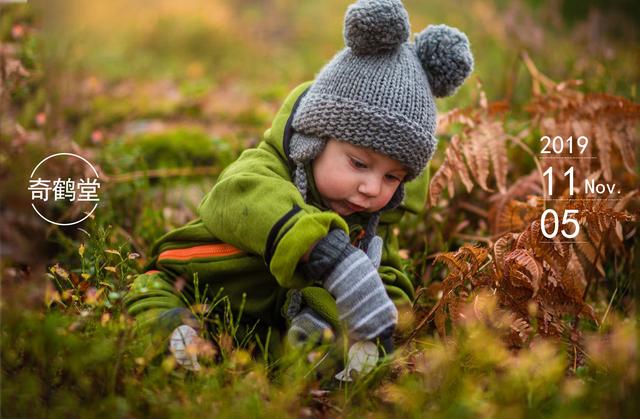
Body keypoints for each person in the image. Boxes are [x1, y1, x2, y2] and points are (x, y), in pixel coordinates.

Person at [123, 0, 473, 372]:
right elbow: (237, 195)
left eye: (393, 177)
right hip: (194, 283)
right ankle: (176, 340)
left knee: (333, 338)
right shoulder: (266, 168)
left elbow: (387, 274)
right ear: (314, 140)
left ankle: (317, 355)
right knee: (154, 299)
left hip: (264, 326)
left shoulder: (373, 221)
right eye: (358, 163)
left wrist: (379, 317)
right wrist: (323, 249)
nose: (372, 188)